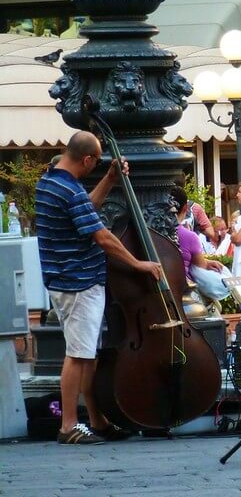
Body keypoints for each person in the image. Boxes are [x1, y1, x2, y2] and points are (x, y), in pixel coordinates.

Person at [35, 131, 162, 445]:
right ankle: (67, 426)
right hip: (78, 282)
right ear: (87, 159)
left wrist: (108, 178)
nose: (94, 167)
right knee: (78, 356)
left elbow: (86, 208)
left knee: (87, 355)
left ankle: (97, 419)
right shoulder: (70, 190)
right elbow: (103, 237)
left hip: (65, 279)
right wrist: (138, 264)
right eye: (96, 162)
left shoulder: (51, 181)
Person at [171, 187, 230, 310]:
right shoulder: (189, 236)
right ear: (185, 209)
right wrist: (208, 263)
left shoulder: (151, 231)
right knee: (216, 308)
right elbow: (201, 265)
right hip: (185, 293)